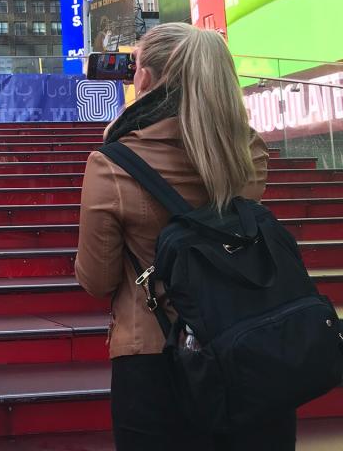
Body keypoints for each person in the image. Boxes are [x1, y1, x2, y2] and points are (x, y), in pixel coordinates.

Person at [75, 23, 294, 450]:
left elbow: (96, 280)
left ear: (145, 79)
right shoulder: (249, 150)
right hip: (251, 348)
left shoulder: (112, 164)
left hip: (155, 358)